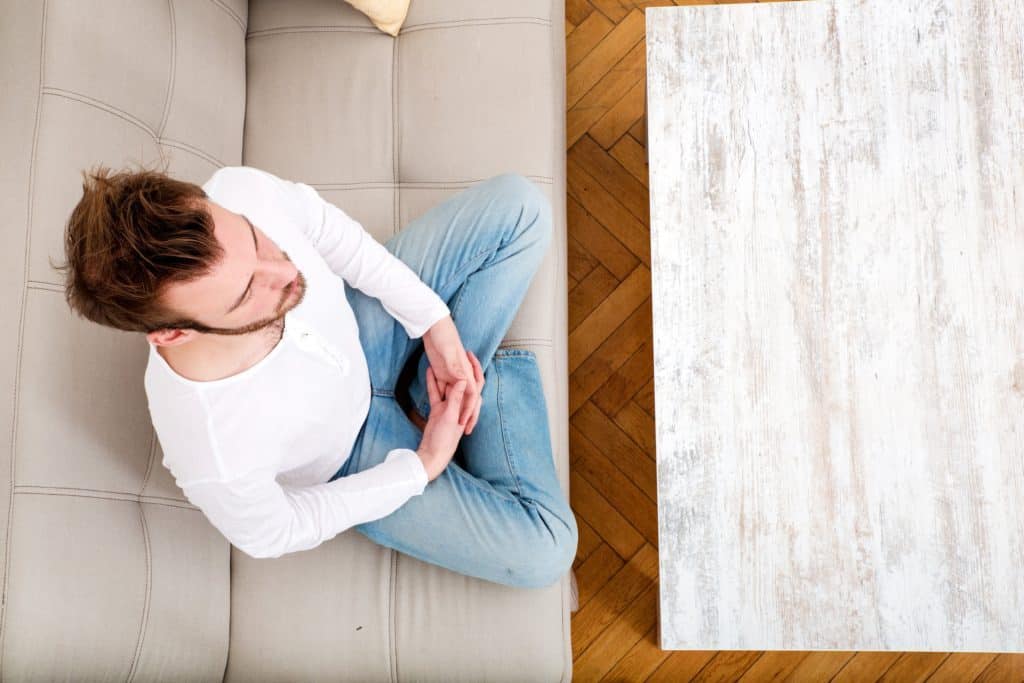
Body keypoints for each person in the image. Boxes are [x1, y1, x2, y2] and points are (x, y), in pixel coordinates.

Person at [55, 161, 577, 589]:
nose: (286, 275)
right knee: (545, 554)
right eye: (245, 295)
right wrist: (423, 464)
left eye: (259, 243)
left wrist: (436, 325)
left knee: (520, 206)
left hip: (365, 326)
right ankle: (490, 386)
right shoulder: (210, 448)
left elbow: (340, 242)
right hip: (355, 458)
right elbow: (275, 531)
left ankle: (444, 388)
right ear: (173, 334)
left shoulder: (240, 190)